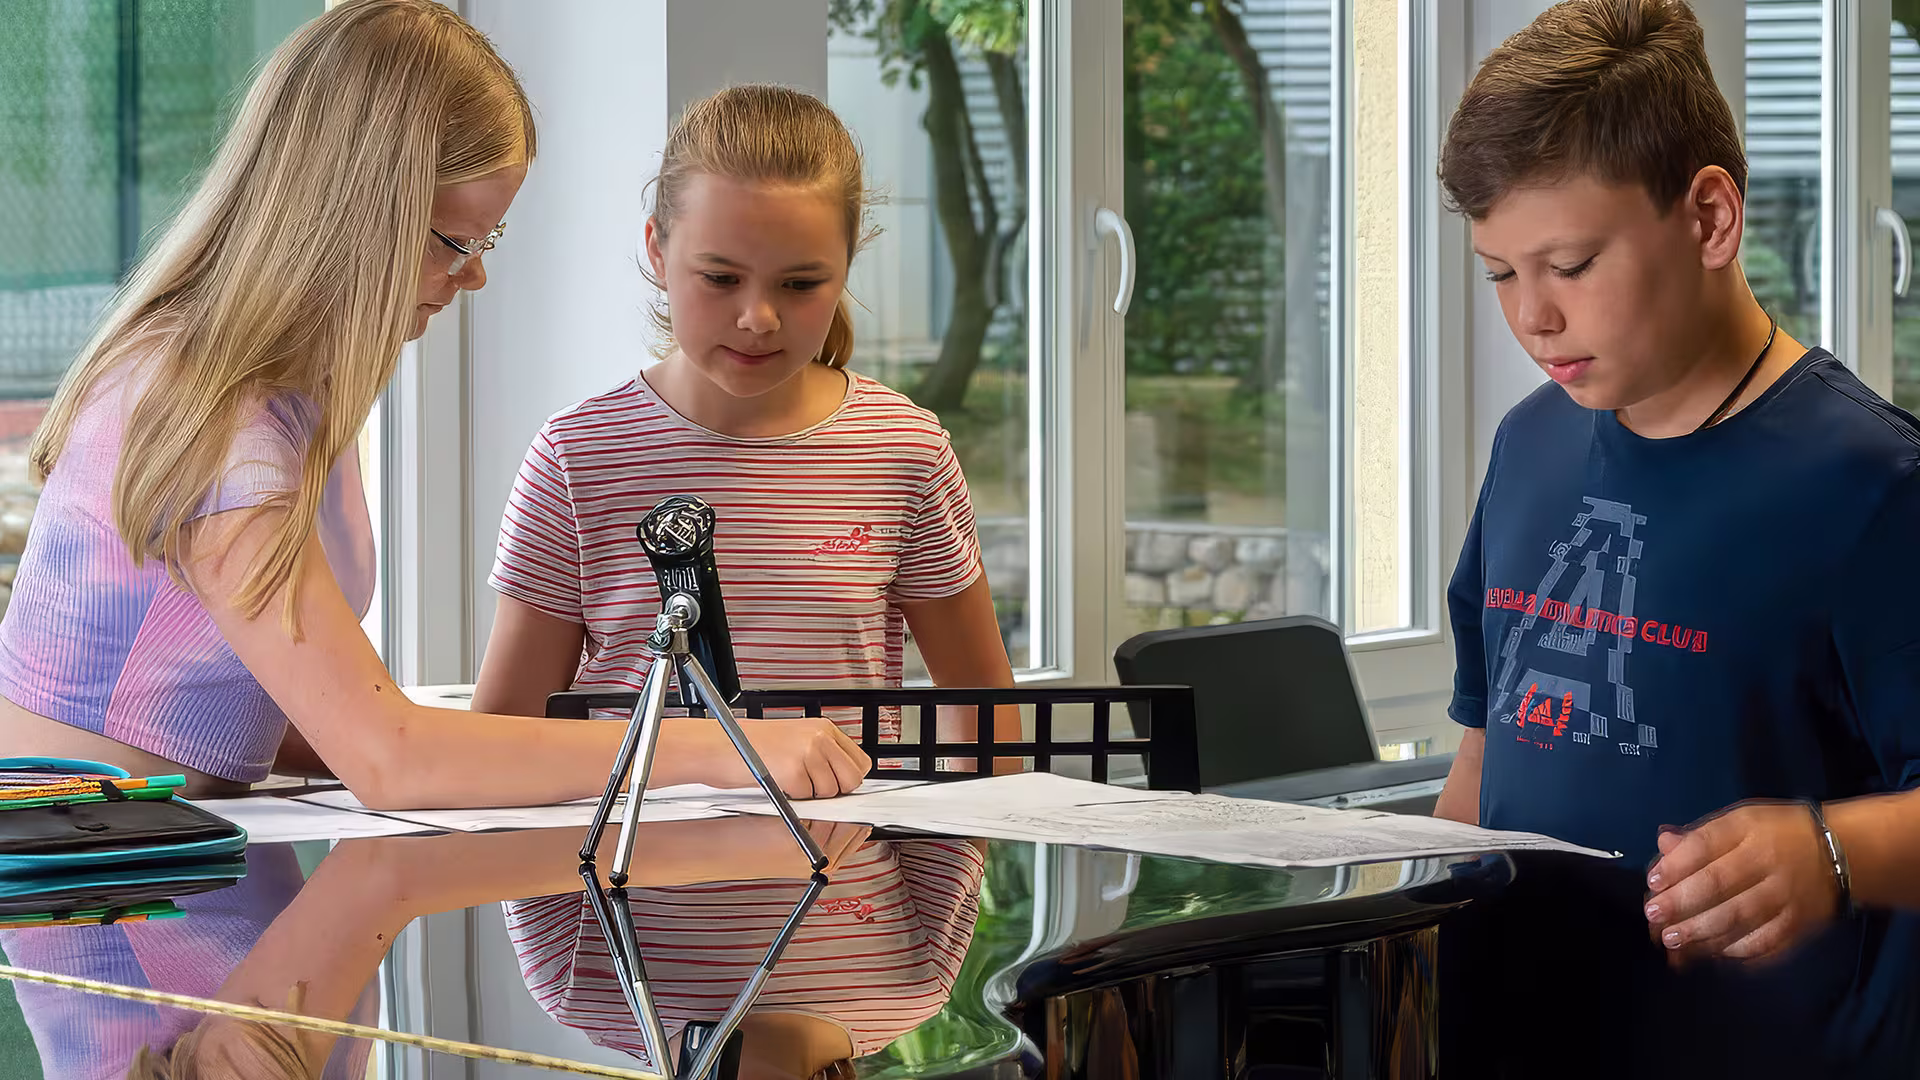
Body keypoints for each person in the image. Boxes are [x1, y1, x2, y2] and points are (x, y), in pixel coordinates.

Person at [0, 0, 869, 810]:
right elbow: (390, 763)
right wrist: (726, 747)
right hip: (100, 884)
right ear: (356, 212)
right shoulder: (211, 412)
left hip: (175, 859)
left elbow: (263, 717)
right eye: (457, 240)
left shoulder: (295, 401)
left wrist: (456, 740)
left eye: (488, 241)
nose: (475, 273)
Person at [1432, 1, 1920, 1074]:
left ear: (1709, 219)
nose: (1533, 318)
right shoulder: (1527, 446)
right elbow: (1483, 758)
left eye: (1569, 263)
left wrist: (1836, 853)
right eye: (1500, 273)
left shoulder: (1875, 485)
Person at [471, 84, 1021, 785]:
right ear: (656, 249)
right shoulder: (577, 456)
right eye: (721, 277)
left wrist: (944, 886)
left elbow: (984, 714)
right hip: (621, 886)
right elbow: (506, 736)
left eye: (800, 284)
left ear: (847, 265)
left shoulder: (905, 449)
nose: (758, 317)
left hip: (851, 884)